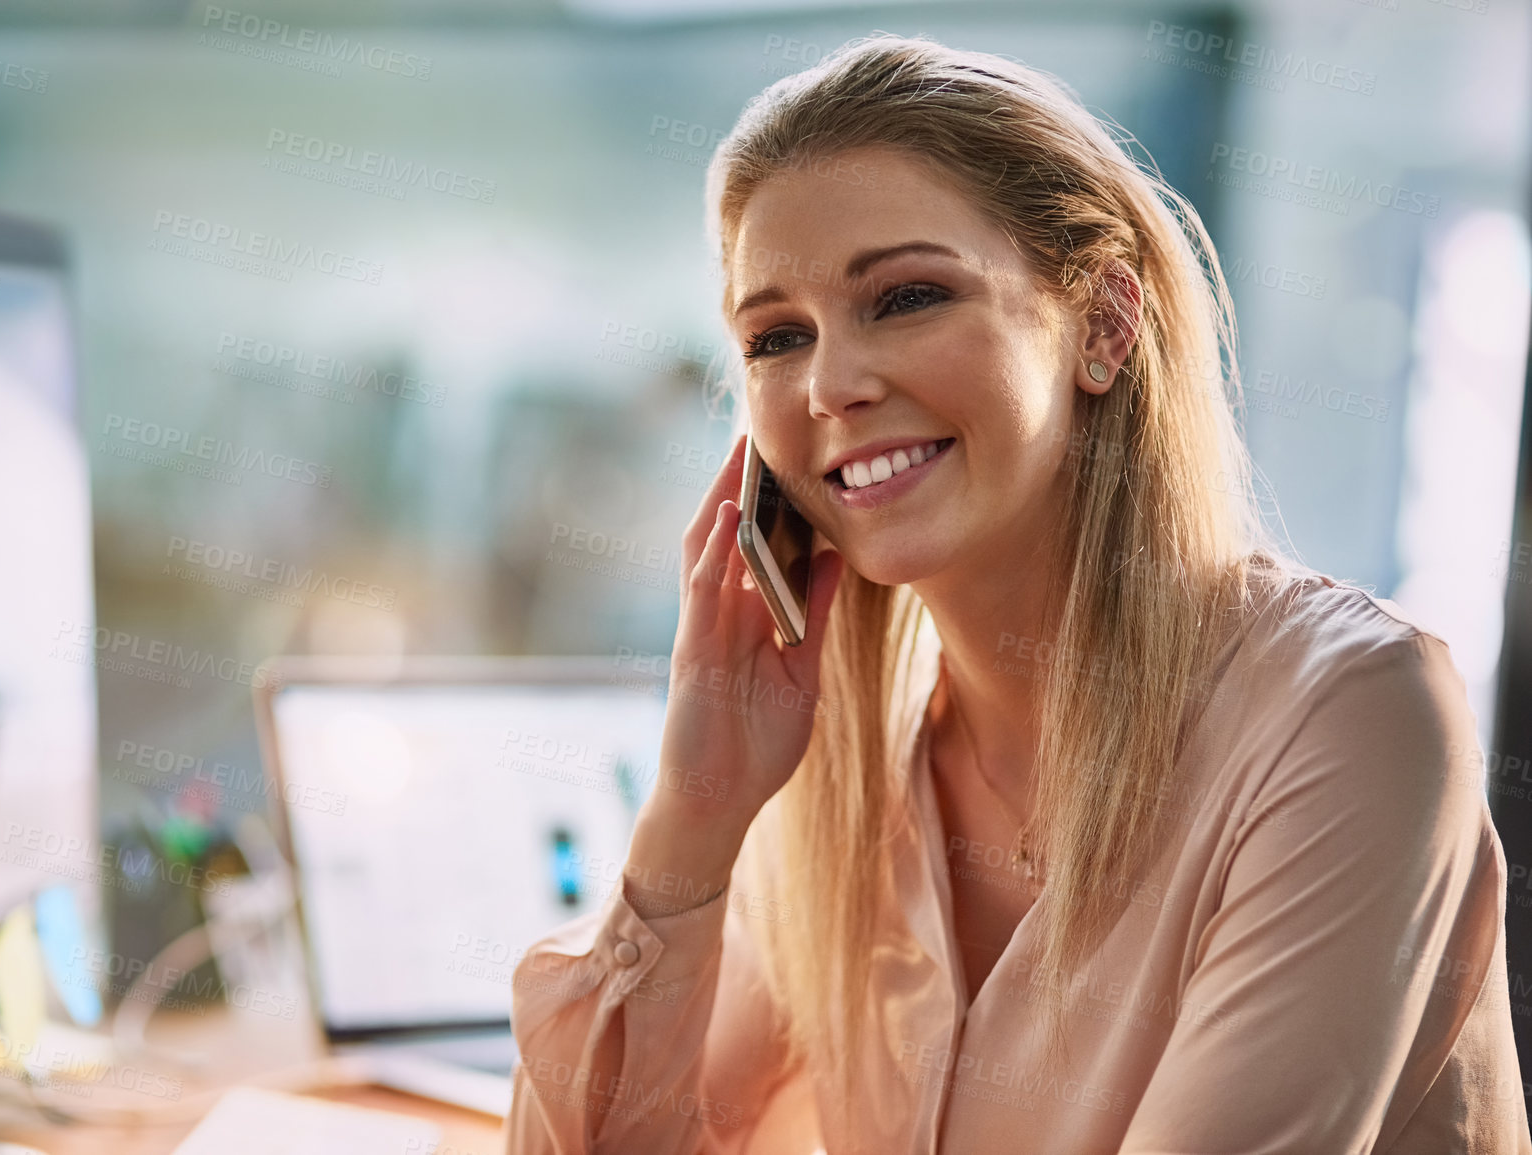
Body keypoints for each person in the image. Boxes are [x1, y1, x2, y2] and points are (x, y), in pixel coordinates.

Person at [502, 33, 1532, 1154]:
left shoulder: (1350, 717)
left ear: (1103, 325)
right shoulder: (840, 785)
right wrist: (694, 815)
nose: (832, 385)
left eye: (905, 297)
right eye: (776, 337)